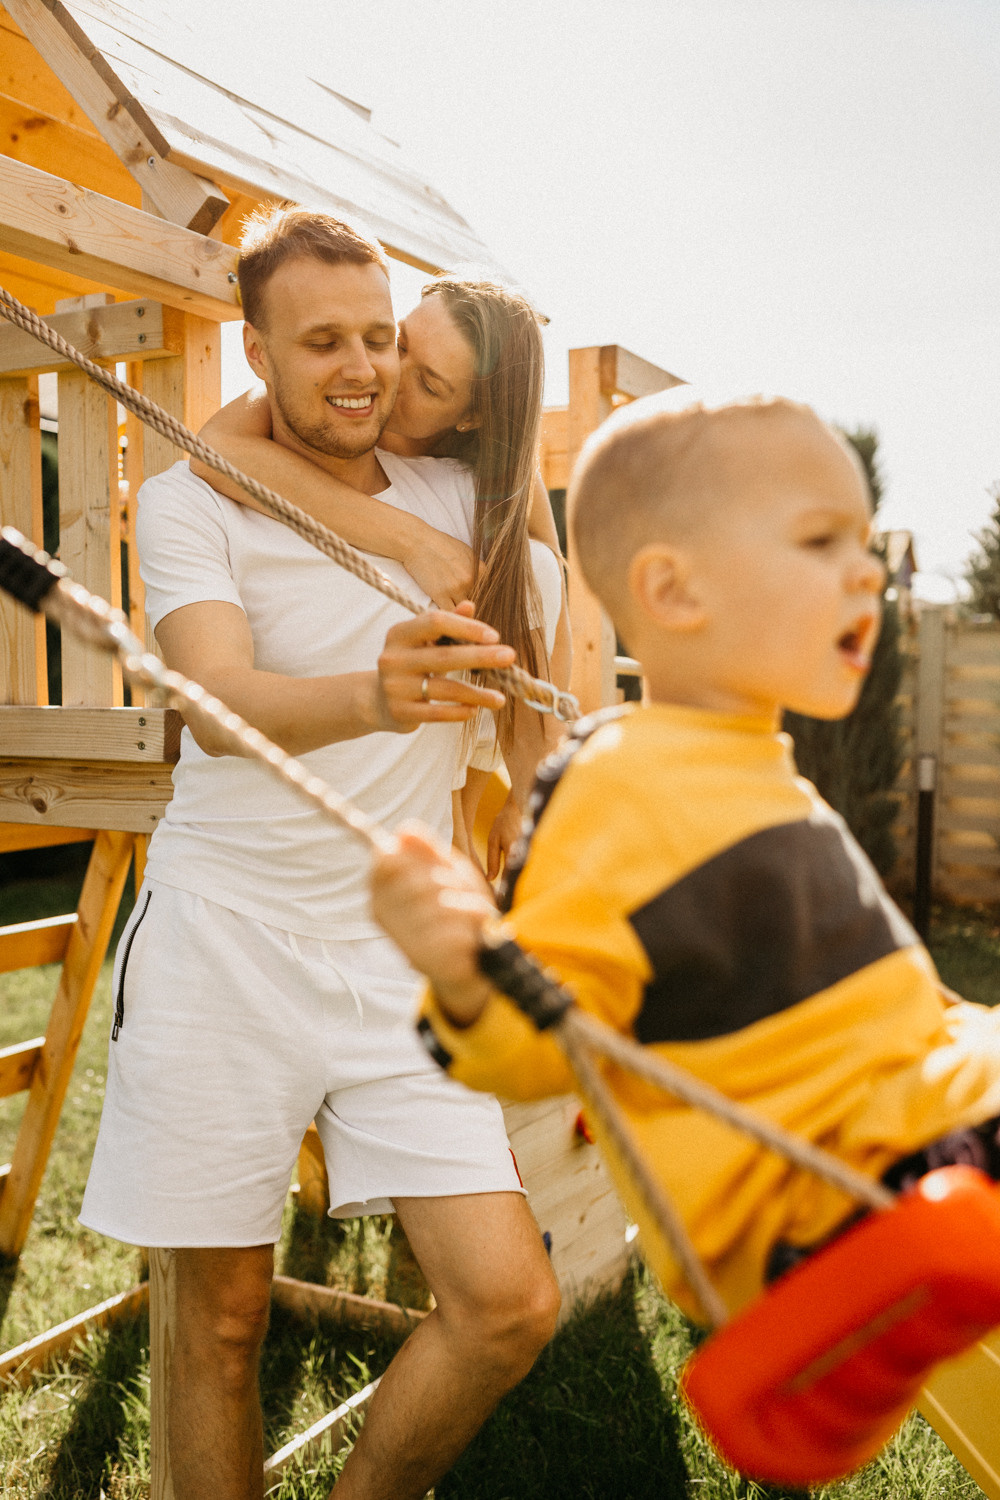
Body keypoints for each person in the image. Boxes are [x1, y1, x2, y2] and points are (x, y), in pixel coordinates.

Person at [80, 205, 560, 1500]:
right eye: (322, 342)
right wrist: (374, 689)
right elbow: (213, 703)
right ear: (256, 351)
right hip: (221, 935)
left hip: (391, 957)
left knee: (508, 1304)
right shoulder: (193, 499)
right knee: (221, 1323)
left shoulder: (463, 493)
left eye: (378, 339)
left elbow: (565, 639)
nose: (360, 369)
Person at [369, 392, 1000, 1324]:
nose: (867, 574)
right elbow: (550, 1037)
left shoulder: (750, 764)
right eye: (823, 542)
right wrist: (465, 976)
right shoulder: (624, 778)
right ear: (673, 592)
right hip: (834, 1199)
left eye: (864, 544)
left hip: (918, 1125)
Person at [193, 273, 571, 878]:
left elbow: (550, 598)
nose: (384, 370)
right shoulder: (319, 407)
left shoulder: (482, 481)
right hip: (372, 664)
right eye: (397, 340)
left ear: (470, 416)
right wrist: (412, 540)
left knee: (533, 570)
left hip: (462, 695)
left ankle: (462, 821)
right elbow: (212, 447)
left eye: (428, 382)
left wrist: (531, 783)